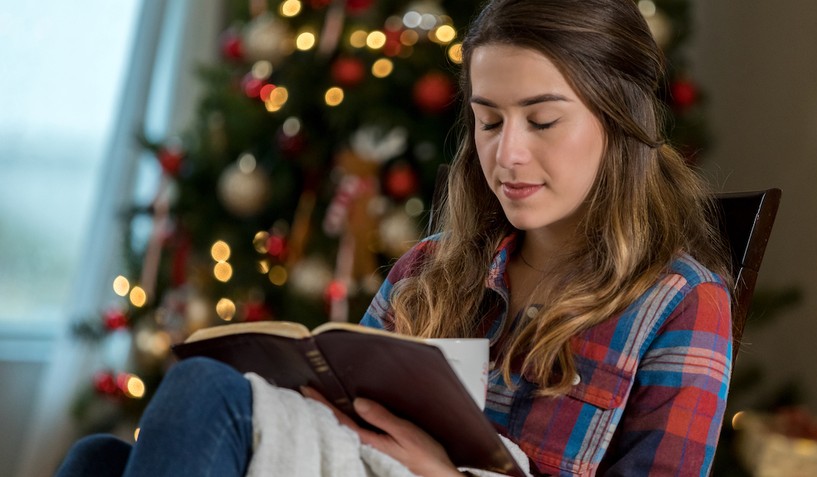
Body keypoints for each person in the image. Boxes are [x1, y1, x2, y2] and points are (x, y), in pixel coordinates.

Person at [55, 0, 732, 476]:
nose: (508, 156)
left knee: (202, 391)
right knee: (98, 458)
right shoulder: (427, 267)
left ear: (619, 123)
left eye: (543, 120)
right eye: (489, 121)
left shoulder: (678, 303)